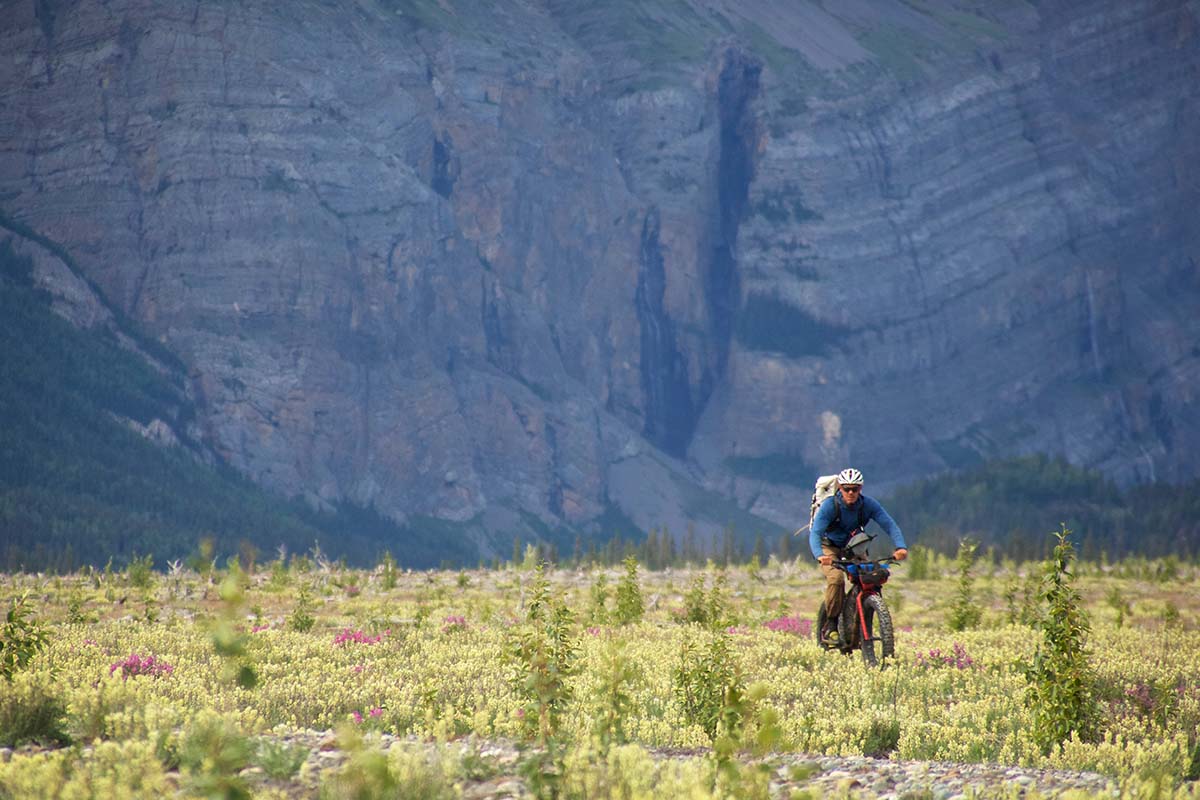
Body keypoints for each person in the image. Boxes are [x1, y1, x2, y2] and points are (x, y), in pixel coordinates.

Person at [809, 467, 908, 645]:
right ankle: (831, 624)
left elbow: (889, 524)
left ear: (860, 488)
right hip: (828, 547)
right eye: (847, 488)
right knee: (836, 579)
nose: (851, 492)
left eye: (855, 488)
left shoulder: (868, 505)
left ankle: (867, 610)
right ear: (840, 488)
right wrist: (820, 555)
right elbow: (815, 533)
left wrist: (900, 547)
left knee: (870, 575)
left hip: (852, 546)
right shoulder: (830, 506)